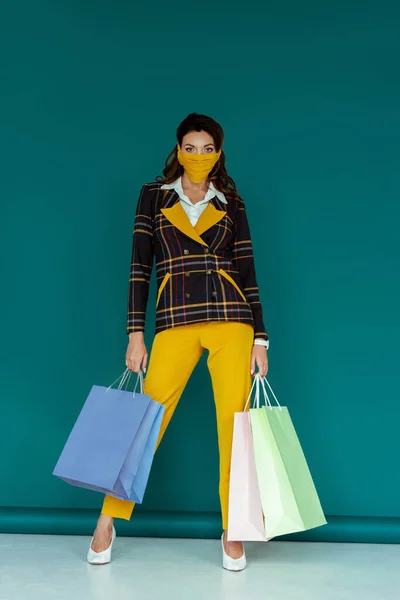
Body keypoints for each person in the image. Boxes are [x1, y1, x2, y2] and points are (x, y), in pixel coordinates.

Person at [87, 113, 269, 570]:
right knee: (146, 420)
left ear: (219, 152)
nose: (200, 156)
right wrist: (135, 332)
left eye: (209, 148)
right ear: (178, 149)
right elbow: (138, 268)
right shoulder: (153, 196)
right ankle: (107, 518)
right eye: (192, 147)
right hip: (175, 318)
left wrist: (261, 338)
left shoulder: (230, 201)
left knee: (235, 426)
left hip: (231, 318)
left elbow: (247, 268)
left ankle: (234, 528)